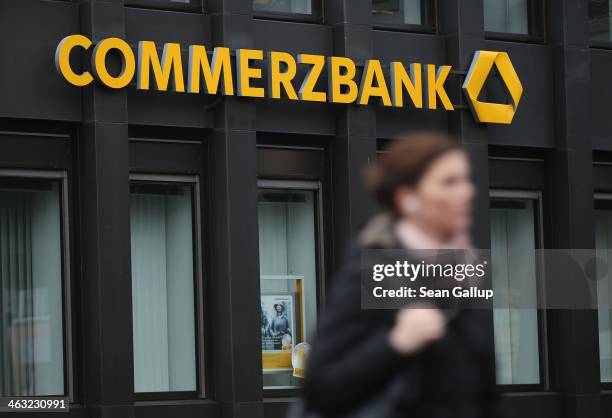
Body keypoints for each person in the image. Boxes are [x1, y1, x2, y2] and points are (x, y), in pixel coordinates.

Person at [302, 132, 503, 418]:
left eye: (466, 180)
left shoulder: (466, 272)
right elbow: (321, 387)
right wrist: (395, 343)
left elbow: (486, 395)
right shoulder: (371, 273)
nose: (467, 192)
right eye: (449, 182)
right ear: (408, 199)